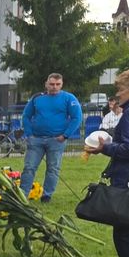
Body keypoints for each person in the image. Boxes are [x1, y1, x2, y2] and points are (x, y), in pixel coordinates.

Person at [19, 72, 83, 203]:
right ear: (46, 84)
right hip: (36, 139)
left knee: (53, 168)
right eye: (52, 84)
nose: (54, 87)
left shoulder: (69, 98)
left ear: (62, 84)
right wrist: (29, 134)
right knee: (29, 167)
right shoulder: (37, 98)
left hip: (56, 140)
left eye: (57, 84)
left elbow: (77, 117)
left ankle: (47, 195)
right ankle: (22, 194)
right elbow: (26, 115)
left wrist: (65, 135)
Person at [92, 70, 129, 257]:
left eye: (120, 89)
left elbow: (128, 148)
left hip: (126, 181)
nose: (118, 95)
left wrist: (105, 147)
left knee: (124, 234)